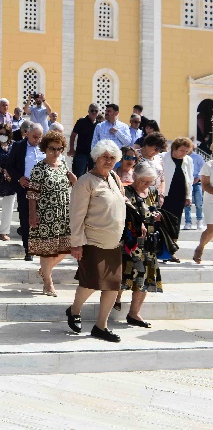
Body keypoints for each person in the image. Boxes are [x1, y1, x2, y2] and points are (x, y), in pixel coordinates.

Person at [66, 140, 127, 342]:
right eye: (104, 157)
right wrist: (76, 243)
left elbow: (121, 203)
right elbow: (76, 215)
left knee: (112, 286)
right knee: (91, 283)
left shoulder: (115, 179)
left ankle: (101, 326)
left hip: (113, 242)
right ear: (96, 158)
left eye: (112, 158)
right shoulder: (85, 181)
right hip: (92, 241)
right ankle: (74, 310)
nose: (108, 161)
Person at [27, 130, 76, 296]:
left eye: (59, 148)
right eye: (52, 148)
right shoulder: (39, 168)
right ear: (45, 148)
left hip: (63, 213)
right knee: (47, 250)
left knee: (65, 249)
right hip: (45, 214)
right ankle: (48, 282)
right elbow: (32, 194)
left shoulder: (63, 165)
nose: (56, 152)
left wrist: (74, 181)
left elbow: (68, 185)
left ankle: (45, 270)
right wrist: (33, 215)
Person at [117, 162, 163, 327]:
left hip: (149, 242)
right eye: (144, 181)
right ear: (135, 176)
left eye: (150, 181)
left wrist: (157, 215)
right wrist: (141, 221)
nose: (147, 184)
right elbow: (128, 213)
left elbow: (153, 209)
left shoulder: (152, 192)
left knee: (144, 278)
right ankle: (115, 301)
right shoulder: (126, 191)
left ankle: (134, 313)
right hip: (131, 242)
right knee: (124, 276)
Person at [7, 123, 45, 261]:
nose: (37, 140)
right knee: (25, 217)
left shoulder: (44, 147)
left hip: (42, 188)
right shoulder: (18, 146)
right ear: (27, 133)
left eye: (39, 137)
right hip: (25, 187)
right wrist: (19, 179)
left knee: (41, 216)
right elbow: (9, 166)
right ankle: (28, 249)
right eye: (35, 137)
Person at [69, 104, 100, 177]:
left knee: (93, 175)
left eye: (96, 111)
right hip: (81, 153)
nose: (94, 113)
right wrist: (71, 148)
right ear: (88, 111)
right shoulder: (81, 122)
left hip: (94, 154)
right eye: (92, 110)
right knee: (79, 174)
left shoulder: (99, 124)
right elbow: (73, 135)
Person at [184, 149, 205, 230]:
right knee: (187, 204)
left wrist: (198, 178)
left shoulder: (197, 157)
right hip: (187, 183)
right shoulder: (183, 157)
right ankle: (188, 222)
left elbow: (203, 168)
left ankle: (199, 220)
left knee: (199, 202)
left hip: (197, 183)